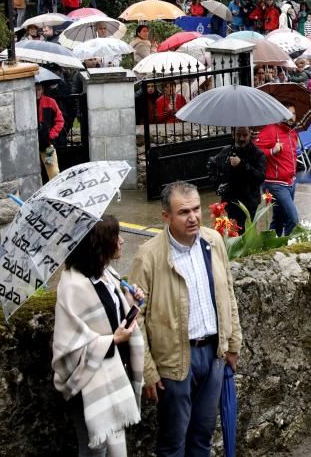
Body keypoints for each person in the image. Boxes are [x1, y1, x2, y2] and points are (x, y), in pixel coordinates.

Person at [128, 182, 242, 457]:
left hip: (213, 354)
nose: (192, 217)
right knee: (173, 444)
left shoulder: (212, 241)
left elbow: (227, 291)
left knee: (202, 437)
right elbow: (134, 317)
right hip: (175, 362)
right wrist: (148, 371)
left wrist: (234, 342)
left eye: (195, 209)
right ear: (166, 216)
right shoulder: (149, 256)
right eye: (183, 212)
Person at [53, 216, 145, 457]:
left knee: (110, 444)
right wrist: (113, 340)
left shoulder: (106, 274)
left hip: (111, 374)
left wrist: (130, 303)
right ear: (100, 244)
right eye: (116, 237)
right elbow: (68, 348)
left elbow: (110, 317)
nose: (123, 241)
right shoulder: (73, 285)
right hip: (87, 383)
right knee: (94, 450)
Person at [255, 104, 300, 236]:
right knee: (293, 219)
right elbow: (256, 152)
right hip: (275, 184)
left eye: (294, 114)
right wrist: (272, 151)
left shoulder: (293, 133)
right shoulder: (270, 130)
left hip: (290, 182)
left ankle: (271, 246)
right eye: (288, 113)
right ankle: (286, 245)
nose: (292, 117)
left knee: (280, 219)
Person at [208, 126, 267, 226]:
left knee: (247, 235)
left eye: (245, 135)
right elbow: (212, 164)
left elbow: (260, 177)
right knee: (233, 235)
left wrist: (242, 165)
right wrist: (218, 185)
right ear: (233, 134)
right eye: (238, 135)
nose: (241, 138)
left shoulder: (257, 154)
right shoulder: (226, 151)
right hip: (231, 203)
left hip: (249, 203)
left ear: (250, 134)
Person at [37, 82, 65, 180]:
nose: (37, 92)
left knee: (54, 174)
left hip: (47, 145)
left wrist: (51, 135)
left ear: (43, 89)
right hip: (32, 146)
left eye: (39, 89)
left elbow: (60, 121)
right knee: (35, 176)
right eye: (35, 89)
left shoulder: (50, 102)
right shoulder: (27, 104)